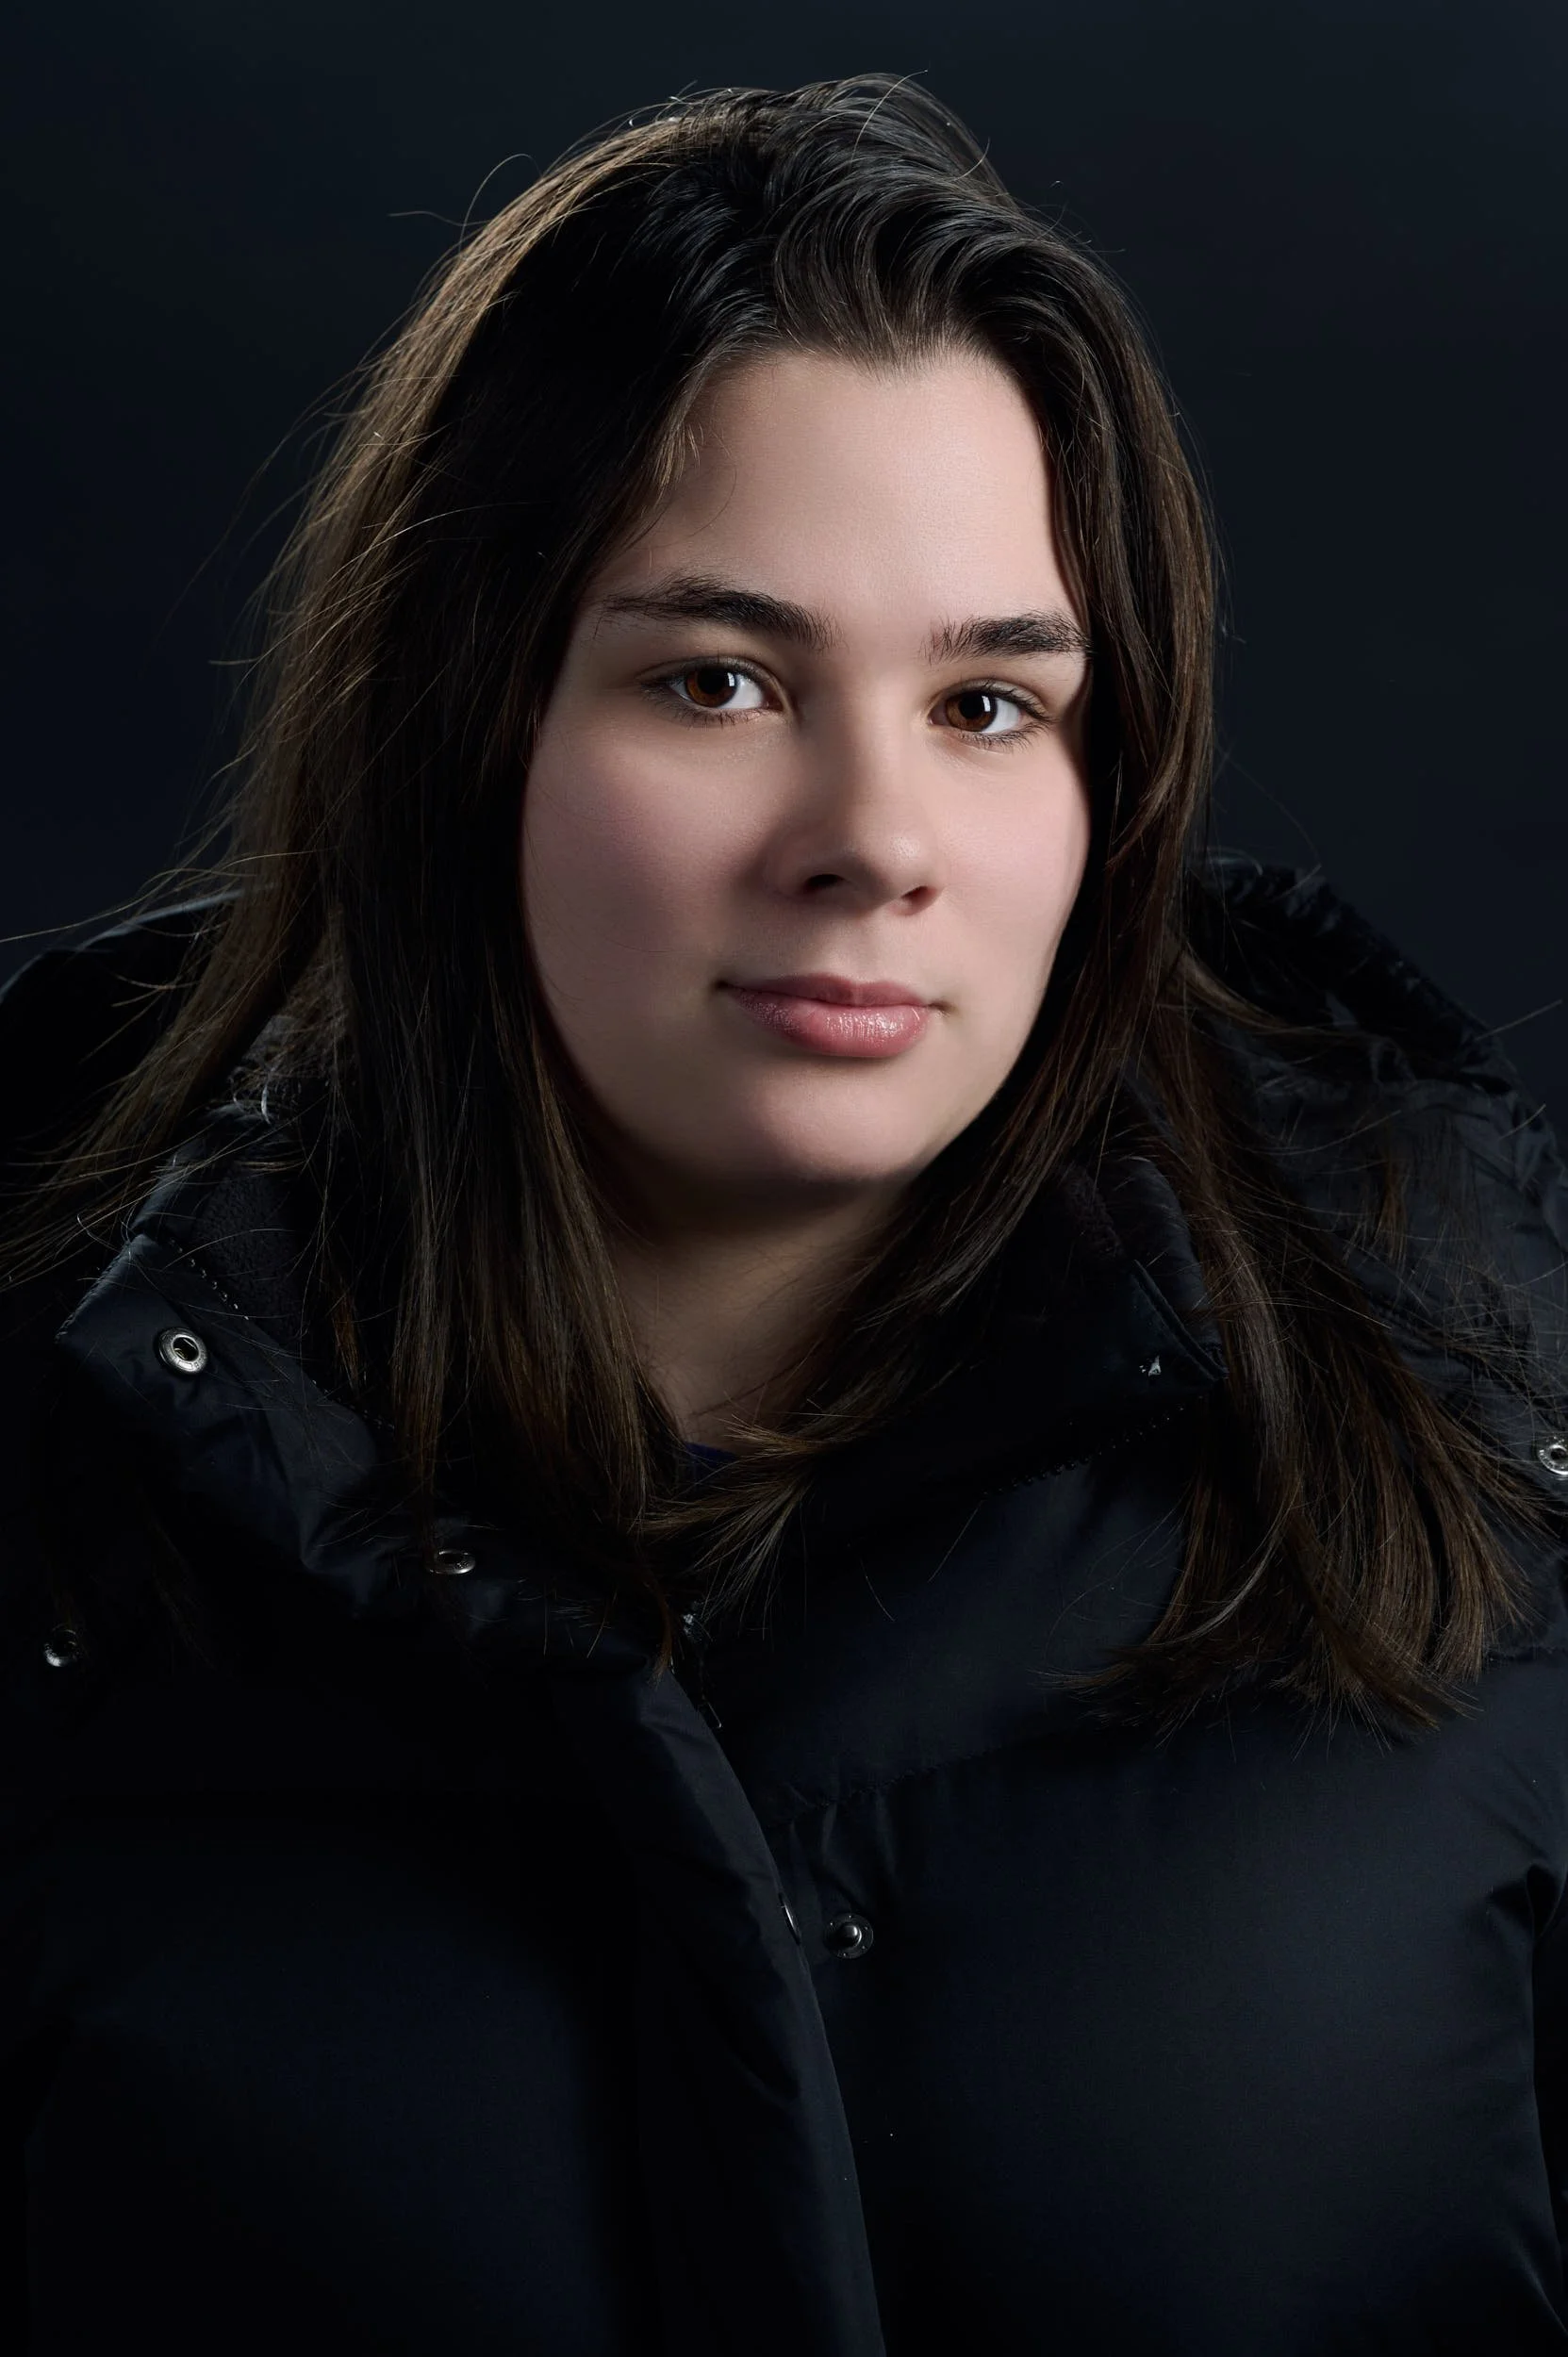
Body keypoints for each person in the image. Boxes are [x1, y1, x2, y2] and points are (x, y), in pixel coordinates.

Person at [2, 72, 1566, 2357]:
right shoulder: (56, 1461)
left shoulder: (1482, 1429)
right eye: (720, 682)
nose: (875, 837)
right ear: (462, 720)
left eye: (990, 703)